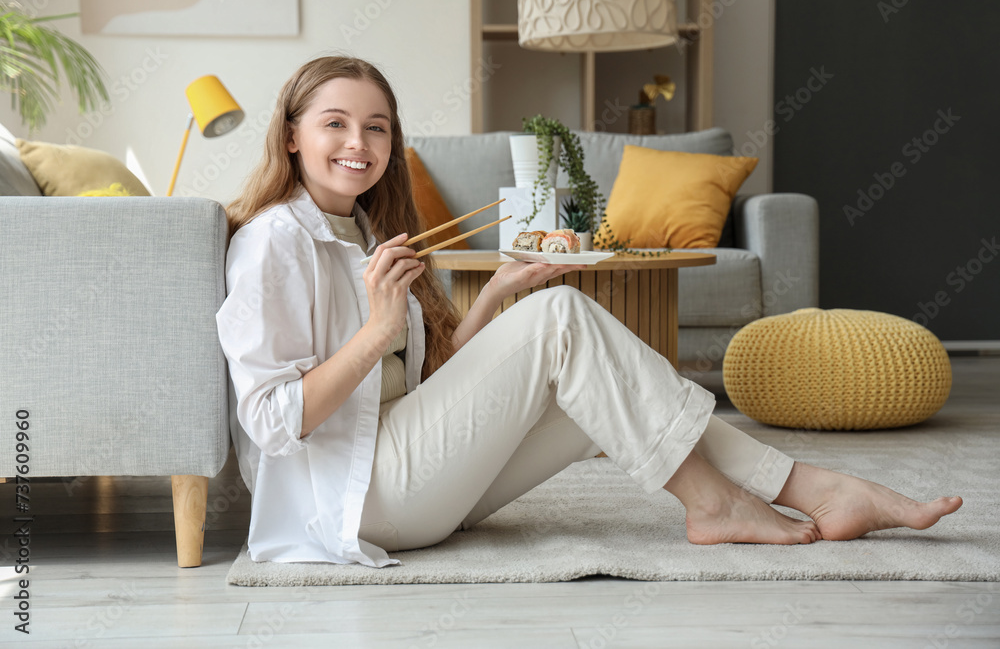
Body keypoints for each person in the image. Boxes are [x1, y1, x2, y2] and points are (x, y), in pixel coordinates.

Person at [216, 56, 962, 567]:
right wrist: (379, 329)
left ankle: (812, 486)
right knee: (565, 321)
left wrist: (498, 295)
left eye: (376, 126)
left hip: (412, 477)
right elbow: (273, 421)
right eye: (336, 124)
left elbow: (421, 389)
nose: (359, 143)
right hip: (352, 501)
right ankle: (715, 502)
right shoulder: (271, 244)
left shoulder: (368, 229)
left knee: (598, 389)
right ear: (291, 134)